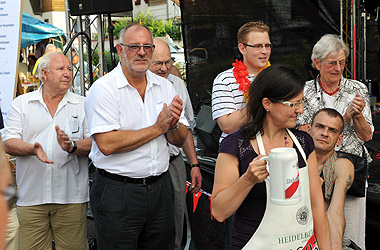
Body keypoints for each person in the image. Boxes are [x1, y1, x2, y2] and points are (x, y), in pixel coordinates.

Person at [85, 24, 188, 250]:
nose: (141, 52)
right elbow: (106, 143)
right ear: (120, 50)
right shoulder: (104, 89)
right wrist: (157, 128)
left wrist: (173, 124)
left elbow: (178, 140)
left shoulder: (165, 87)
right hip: (118, 192)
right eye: (134, 47)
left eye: (147, 47)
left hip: (161, 188)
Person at [211, 65, 331, 250]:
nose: (300, 110)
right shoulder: (236, 145)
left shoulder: (304, 142)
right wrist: (248, 180)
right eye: (293, 104)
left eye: (302, 102)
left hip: (300, 244)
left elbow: (317, 207)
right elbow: (219, 211)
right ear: (267, 103)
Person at [2, 52, 92, 250]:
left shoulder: (83, 104)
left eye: (69, 69)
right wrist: (32, 149)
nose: (68, 74)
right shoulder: (22, 104)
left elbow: (95, 143)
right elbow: (8, 142)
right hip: (31, 197)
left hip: (71, 198)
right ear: (44, 73)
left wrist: (72, 146)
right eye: (60, 69)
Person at [297, 34, 373, 250]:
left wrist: (357, 116)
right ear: (317, 63)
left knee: (354, 234)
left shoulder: (357, 89)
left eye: (342, 62)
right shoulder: (305, 91)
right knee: (317, 234)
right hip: (315, 171)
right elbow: (304, 132)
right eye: (332, 63)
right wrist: (345, 117)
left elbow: (366, 136)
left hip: (353, 170)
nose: (339, 68)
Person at [149, 38, 202, 250]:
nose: (164, 68)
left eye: (168, 62)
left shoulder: (176, 83)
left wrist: (195, 164)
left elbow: (187, 127)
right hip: (144, 168)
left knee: (176, 223)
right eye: (158, 64)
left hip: (173, 162)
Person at [212, 21, 271, 143]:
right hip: (237, 151)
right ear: (242, 48)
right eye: (258, 46)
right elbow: (227, 126)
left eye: (267, 45)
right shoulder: (224, 80)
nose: (265, 51)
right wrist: (259, 101)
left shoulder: (277, 76)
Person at [310, 108, 355, 250]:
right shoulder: (294, 161)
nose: (324, 133)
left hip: (321, 238)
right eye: (320, 127)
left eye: (332, 130)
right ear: (308, 130)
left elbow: (335, 212)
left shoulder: (341, 165)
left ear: (339, 139)